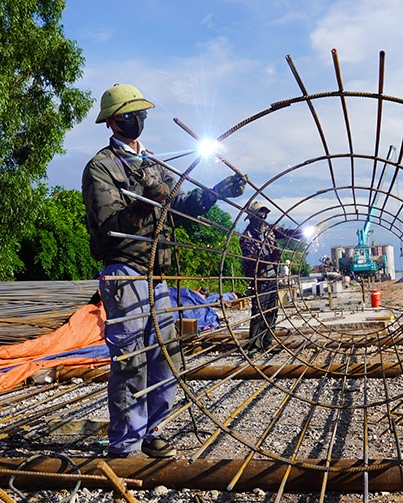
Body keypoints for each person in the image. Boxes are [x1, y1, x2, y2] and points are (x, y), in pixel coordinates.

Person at [82, 83, 246, 459]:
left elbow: (182, 209)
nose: (136, 119)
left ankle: (152, 429)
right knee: (131, 359)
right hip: (127, 273)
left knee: (163, 355)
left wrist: (215, 192)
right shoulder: (101, 168)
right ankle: (125, 444)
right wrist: (145, 203)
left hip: (158, 276)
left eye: (139, 113)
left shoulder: (153, 163)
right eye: (128, 115)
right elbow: (109, 223)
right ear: (112, 122)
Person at [239, 201, 302, 355]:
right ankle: (255, 346)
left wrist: (301, 232)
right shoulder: (247, 237)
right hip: (260, 278)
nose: (263, 218)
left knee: (272, 311)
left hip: (273, 277)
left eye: (264, 214)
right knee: (259, 312)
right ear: (253, 217)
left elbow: (286, 233)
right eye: (260, 215)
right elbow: (251, 258)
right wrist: (271, 257)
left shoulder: (269, 230)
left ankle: (267, 343)